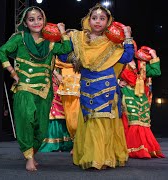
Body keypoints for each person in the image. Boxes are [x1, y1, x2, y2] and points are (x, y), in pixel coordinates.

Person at [0, 6, 72, 171]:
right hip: (24, 88)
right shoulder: (20, 38)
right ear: (25, 22)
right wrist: (12, 72)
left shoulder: (50, 43)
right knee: (26, 120)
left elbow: (66, 49)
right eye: (31, 19)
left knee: (41, 128)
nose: (36, 22)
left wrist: (62, 31)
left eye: (39, 18)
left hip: (44, 91)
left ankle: (33, 153)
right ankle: (28, 157)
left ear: (44, 20)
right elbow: (1, 51)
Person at [59, 3, 135, 170]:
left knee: (102, 121)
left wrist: (127, 36)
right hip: (87, 86)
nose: (98, 21)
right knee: (90, 120)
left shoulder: (112, 42)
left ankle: (101, 158)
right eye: (94, 18)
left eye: (102, 18)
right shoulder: (78, 39)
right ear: (88, 20)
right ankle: (93, 156)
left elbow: (127, 57)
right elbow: (64, 56)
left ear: (108, 22)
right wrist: (63, 36)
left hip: (106, 86)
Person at [119, 47, 165, 158]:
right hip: (128, 93)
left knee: (142, 120)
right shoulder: (119, 62)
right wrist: (118, 82)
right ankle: (129, 148)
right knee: (132, 119)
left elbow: (156, 72)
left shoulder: (141, 64)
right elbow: (111, 74)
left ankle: (144, 147)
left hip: (140, 96)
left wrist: (153, 55)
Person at [38, 66, 73, 153]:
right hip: (49, 75)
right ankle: (51, 143)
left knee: (61, 109)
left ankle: (63, 142)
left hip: (64, 74)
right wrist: (56, 74)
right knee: (52, 109)